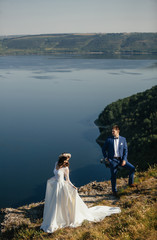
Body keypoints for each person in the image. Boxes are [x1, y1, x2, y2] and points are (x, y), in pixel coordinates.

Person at [41, 152, 121, 233]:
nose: (67, 161)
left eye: (67, 160)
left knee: (61, 203)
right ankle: (56, 218)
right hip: (56, 187)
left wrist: (73, 187)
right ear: (62, 159)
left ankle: (63, 218)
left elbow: (67, 180)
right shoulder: (56, 164)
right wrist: (50, 179)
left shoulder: (66, 168)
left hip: (61, 187)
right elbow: (56, 175)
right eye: (66, 159)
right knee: (56, 203)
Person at [102, 125, 136, 196]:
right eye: (112, 131)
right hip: (113, 160)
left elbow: (125, 150)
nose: (112, 132)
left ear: (118, 131)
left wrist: (124, 160)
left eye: (113, 131)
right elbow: (103, 149)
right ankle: (114, 191)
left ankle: (131, 183)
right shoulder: (109, 139)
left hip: (121, 160)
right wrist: (106, 158)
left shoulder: (123, 139)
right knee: (113, 175)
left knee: (132, 168)